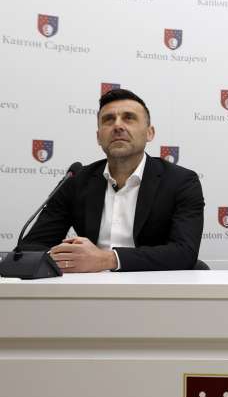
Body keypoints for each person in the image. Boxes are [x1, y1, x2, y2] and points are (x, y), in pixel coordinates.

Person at [21, 88, 205, 271]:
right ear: (98, 137)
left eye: (129, 118)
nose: (118, 126)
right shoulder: (76, 181)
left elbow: (184, 252)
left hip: (156, 284)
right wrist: (66, 257)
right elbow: (31, 248)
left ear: (150, 133)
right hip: (91, 284)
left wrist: (108, 259)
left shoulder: (181, 181)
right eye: (108, 120)